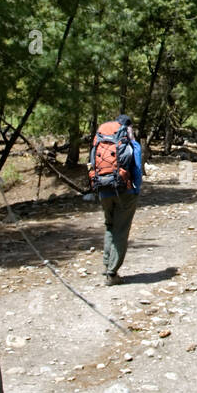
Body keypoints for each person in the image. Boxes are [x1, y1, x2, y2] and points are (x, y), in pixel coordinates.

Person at [89, 114, 143, 285]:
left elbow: (92, 164)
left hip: (104, 190)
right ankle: (112, 274)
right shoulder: (130, 143)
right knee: (121, 230)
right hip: (125, 191)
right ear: (129, 128)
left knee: (110, 227)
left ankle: (106, 265)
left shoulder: (100, 142)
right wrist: (136, 189)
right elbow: (137, 168)